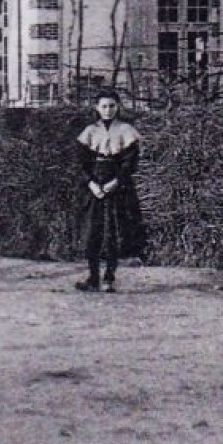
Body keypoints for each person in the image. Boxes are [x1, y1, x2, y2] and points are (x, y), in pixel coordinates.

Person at [73, 91, 147, 293]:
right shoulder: (89, 131)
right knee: (92, 232)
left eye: (112, 106)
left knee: (113, 232)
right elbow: (81, 163)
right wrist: (92, 184)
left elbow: (130, 163)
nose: (108, 110)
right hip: (94, 188)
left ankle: (109, 278)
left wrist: (115, 183)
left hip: (118, 187)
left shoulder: (126, 130)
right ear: (97, 108)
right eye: (104, 106)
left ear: (118, 107)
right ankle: (93, 277)